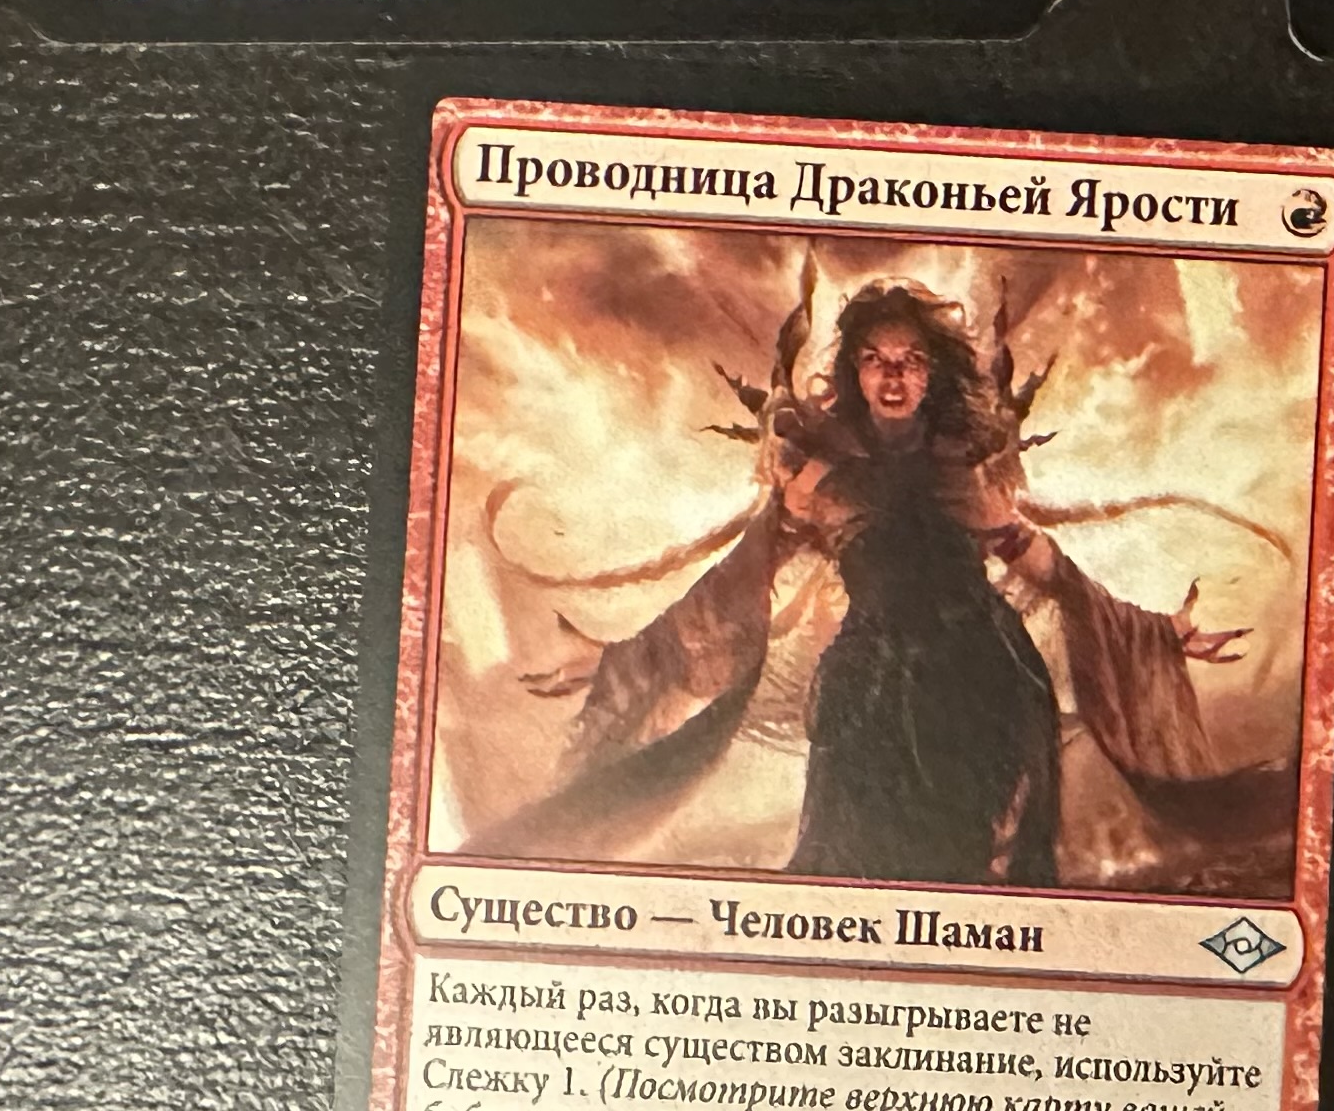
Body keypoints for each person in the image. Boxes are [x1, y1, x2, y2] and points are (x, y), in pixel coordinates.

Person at [471, 273, 1284, 890]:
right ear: (855, 373)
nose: (893, 376)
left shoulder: (968, 470)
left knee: (968, 860)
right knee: (855, 861)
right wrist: (623, 656)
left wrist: (1158, 632)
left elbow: (1054, 572)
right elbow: (733, 588)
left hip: (980, 680)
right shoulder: (817, 477)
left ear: (931, 375)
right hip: (868, 692)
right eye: (875, 360)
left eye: (910, 361)